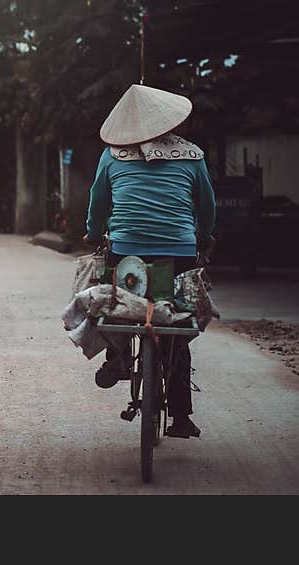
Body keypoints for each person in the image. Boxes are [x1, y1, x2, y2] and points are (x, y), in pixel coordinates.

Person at [83, 84, 216, 439]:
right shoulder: (192, 155)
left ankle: (117, 358)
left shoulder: (113, 155)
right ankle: (182, 417)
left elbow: (98, 204)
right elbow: (207, 207)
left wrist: (93, 232)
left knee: (115, 304)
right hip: (181, 252)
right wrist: (204, 235)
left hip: (127, 250)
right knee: (178, 327)